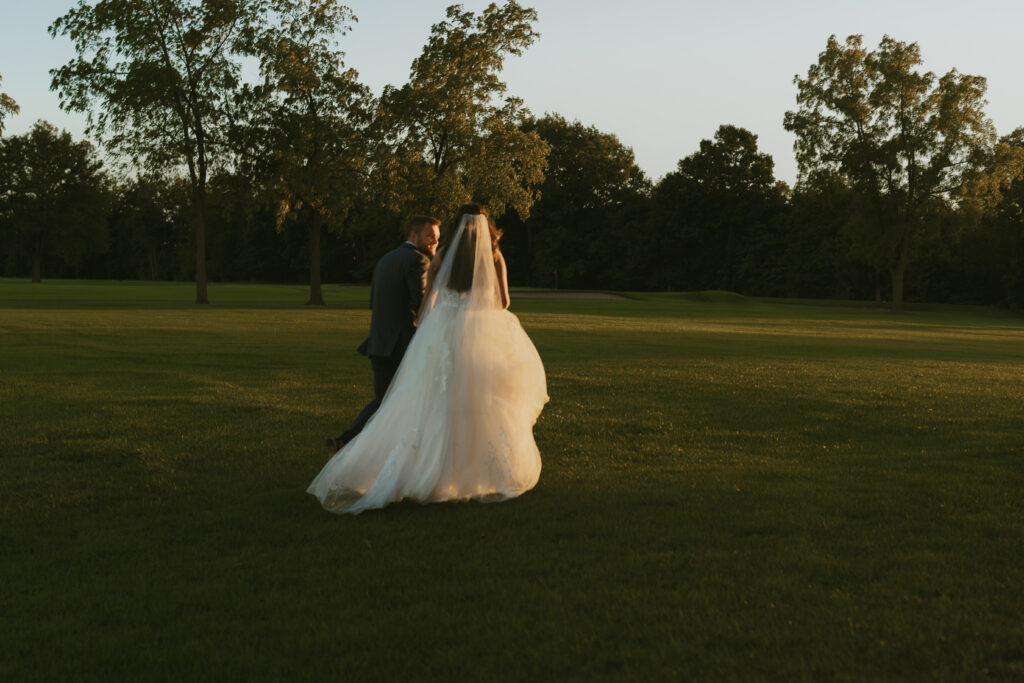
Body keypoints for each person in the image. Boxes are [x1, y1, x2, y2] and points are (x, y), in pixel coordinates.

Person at [309, 203, 548, 514]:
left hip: (442, 334)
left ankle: (419, 471)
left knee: (429, 403)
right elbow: (503, 302)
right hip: (478, 338)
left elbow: (427, 303)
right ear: (486, 227)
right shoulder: (494, 255)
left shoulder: (441, 256)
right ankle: (472, 474)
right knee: (477, 404)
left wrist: (425, 330)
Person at [326, 216, 440, 453]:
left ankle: (346, 442)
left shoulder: (385, 260)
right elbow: (422, 304)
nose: (435, 241)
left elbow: (374, 302)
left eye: (437, 237)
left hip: (378, 343)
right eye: (430, 236)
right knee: (416, 404)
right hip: (403, 346)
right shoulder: (418, 261)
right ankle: (406, 455)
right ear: (413, 236)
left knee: (383, 402)